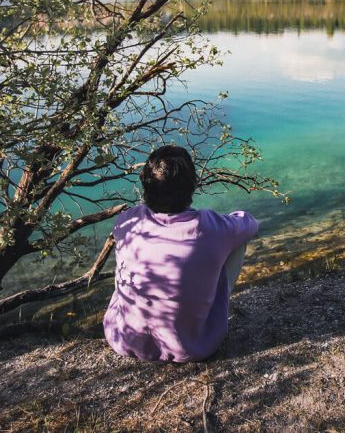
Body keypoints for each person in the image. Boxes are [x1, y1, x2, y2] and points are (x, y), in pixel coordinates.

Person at [103, 145, 259, 362]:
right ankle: (203, 314)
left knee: (135, 257)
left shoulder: (127, 220)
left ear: (146, 186)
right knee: (235, 243)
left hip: (122, 339)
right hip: (192, 348)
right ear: (191, 186)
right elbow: (250, 223)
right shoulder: (209, 226)